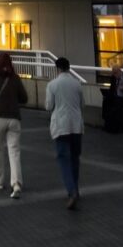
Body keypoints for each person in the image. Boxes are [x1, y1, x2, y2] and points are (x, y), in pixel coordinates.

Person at [0, 51, 28, 198]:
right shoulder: (15, 78)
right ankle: (16, 184)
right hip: (14, 118)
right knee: (14, 151)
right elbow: (24, 98)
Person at [45, 56, 84, 210]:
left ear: (57, 68)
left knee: (63, 159)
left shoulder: (52, 84)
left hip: (61, 126)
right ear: (68, 67)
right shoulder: (77, 83)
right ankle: (76, 189)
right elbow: (82, 104)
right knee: (75, 158)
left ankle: (71, 191)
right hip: (76, 125)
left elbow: (49, 106)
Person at [101, 63, 123, 133]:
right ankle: (107, 124)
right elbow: (112, 89)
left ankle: (116, 127)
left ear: (120, 71)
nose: (115, 75)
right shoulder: (113, 78)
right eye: (114, 73)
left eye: (116, 73)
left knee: (117, 104)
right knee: (106, 102)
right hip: (116, 97)